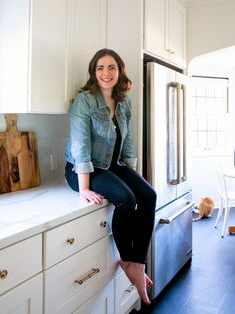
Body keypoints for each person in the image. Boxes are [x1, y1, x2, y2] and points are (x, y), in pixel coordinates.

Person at [65, 48, 157, 305]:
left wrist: (134, 177)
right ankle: (129, 260)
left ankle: (137, 261)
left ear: (120, 71)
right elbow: (81, 146)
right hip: (82, 169)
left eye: (111, 68)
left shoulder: (124, 102)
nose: (106, 73)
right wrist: (83, 189)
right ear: (94, 72)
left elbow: (127, 143)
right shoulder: (84, 101)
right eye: (100, 68)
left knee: (148, 195)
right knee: (126, 199)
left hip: (113, 165)